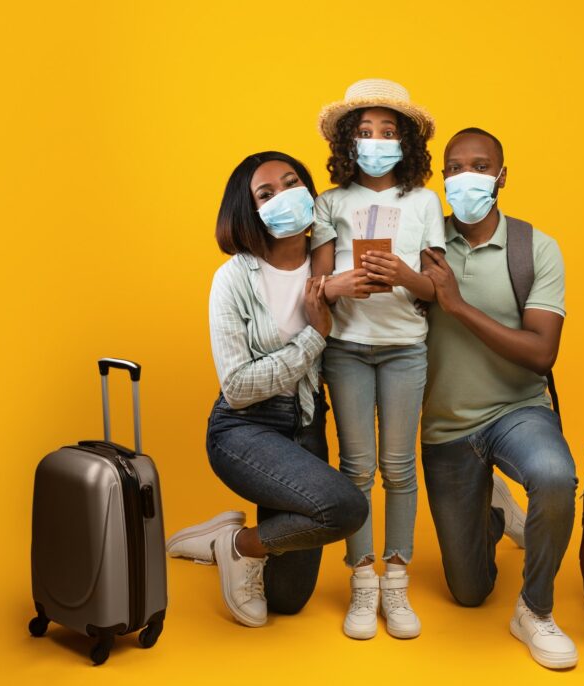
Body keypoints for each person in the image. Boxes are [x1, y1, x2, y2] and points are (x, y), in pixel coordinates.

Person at [165, 151, 368, 628]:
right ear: (249, 210)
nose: (283, 196)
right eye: (266, 193)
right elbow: (236, 387)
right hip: (244, 429)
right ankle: (238, 547)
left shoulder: (331, 262)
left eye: (291, 182)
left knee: (288, 600)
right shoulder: (233, 279)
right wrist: (313, 336)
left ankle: (234, 541)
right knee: (345, 508)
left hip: (305, 424)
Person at [420, 128, 580, 669]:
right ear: (442, 178)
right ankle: (494, 510)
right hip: (446, 429)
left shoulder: (534, 248)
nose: (466, 177)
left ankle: (535, 611)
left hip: (518, 410)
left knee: (555, 476)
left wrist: (457, 305)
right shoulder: (424, 244)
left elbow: (541, 353)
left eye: (480, 165)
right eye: (454, 167)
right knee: (468, 592)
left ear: (502, 177)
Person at [309, 79, 445, 640]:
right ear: (348, 142)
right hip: (346, 350)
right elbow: (315, 285)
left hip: (405, 349)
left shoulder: (423, 202)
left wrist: (406, 277)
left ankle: (397, 577)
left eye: (388, 132)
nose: (376, 141)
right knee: (356, 469)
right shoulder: (330, 201)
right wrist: (341, 283)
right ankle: (362, 581)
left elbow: (438, 287)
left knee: (400, 468)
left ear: (406, 141)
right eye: (365, 133)